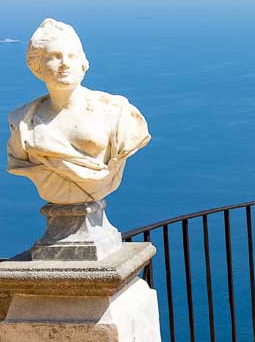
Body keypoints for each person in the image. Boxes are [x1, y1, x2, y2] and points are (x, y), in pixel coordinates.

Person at [8, 18, 150, 204]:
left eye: (72, 56)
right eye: (54, 56)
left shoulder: (117, 112)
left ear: (83, 64)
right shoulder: (23, 124)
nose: (64, 63)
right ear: (37, 67)